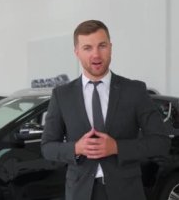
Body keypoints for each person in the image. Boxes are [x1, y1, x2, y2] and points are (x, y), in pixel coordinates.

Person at [41, 20, 171, 200]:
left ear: (110, 47)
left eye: (102, 46)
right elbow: (47, 147)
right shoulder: (62, 95)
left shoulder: (134, 90)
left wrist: (117, 147)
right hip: (80, 192)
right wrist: (76, 148)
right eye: (87, 48)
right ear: (76, 52)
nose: (96, 54)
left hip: (126, 192)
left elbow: (161, 142)